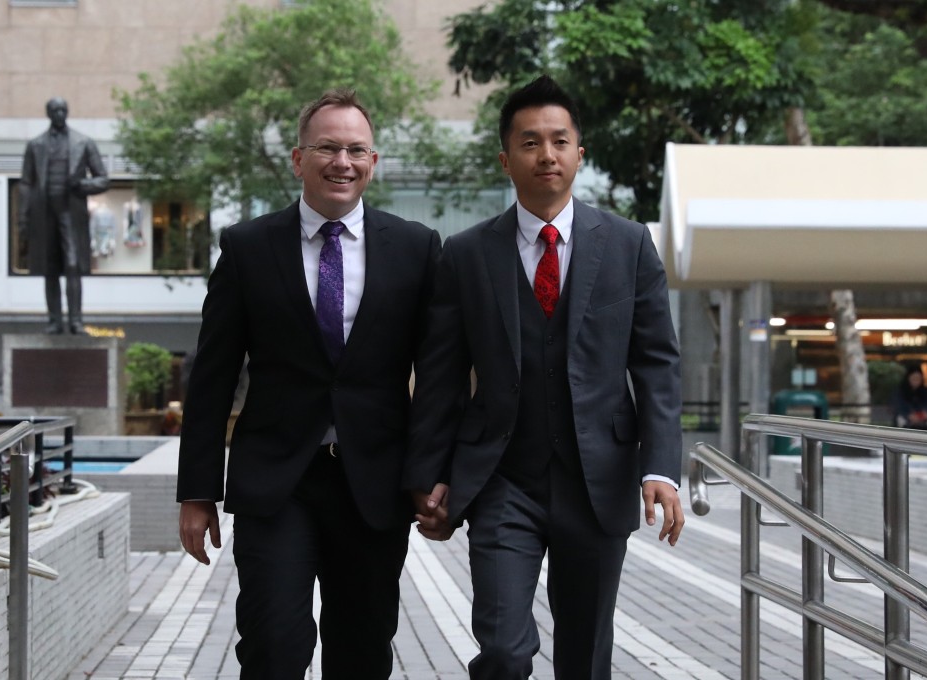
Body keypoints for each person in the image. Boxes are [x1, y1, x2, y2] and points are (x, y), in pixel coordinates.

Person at [405, 75, 684, 680]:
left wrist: (660, 467)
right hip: (504, 480)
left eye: (560, 141)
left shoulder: (630, 245)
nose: (547, 155)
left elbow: (656, 363)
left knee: (584, 660)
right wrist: (429, 477)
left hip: (598, 480)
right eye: (530, 143)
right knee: (504, 651)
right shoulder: (467, 254)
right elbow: (441, 377)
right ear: (506, 159)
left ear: (580, 154)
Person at [176, 89, 440, 680]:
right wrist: (197, 490)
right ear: (299, 159)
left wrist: (430, 473)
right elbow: (212, 376)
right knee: (272, 648)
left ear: (373, 162)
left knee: (362, 653)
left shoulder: (416, 249)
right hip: (277, 483)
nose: (341, 161)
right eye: (327, 147)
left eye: (355, 149)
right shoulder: (247, 248)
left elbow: (439, 377)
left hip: (373, 485)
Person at [18, 97, 109, 334]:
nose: (59, 114)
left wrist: (82, 185)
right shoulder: (35, 145)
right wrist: (24, 217)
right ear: (48, 113)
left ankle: (76, 320)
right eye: (55, 110)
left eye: (63, 110)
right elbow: (26, 183)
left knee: (72, 265)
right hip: (44, 214)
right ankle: (55, 320)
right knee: (49, 269)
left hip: (71, 212)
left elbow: (103, 178)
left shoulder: (83, 142)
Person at [891, 365, 927, 429]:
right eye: (914, 378)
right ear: (908, 378)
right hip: (906, 419)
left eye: (918, 379)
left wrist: (925, 414)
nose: (916, 381)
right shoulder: (901, 391)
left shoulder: (926, 391)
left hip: (923, 420)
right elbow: (898, 407)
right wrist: (908, 415)